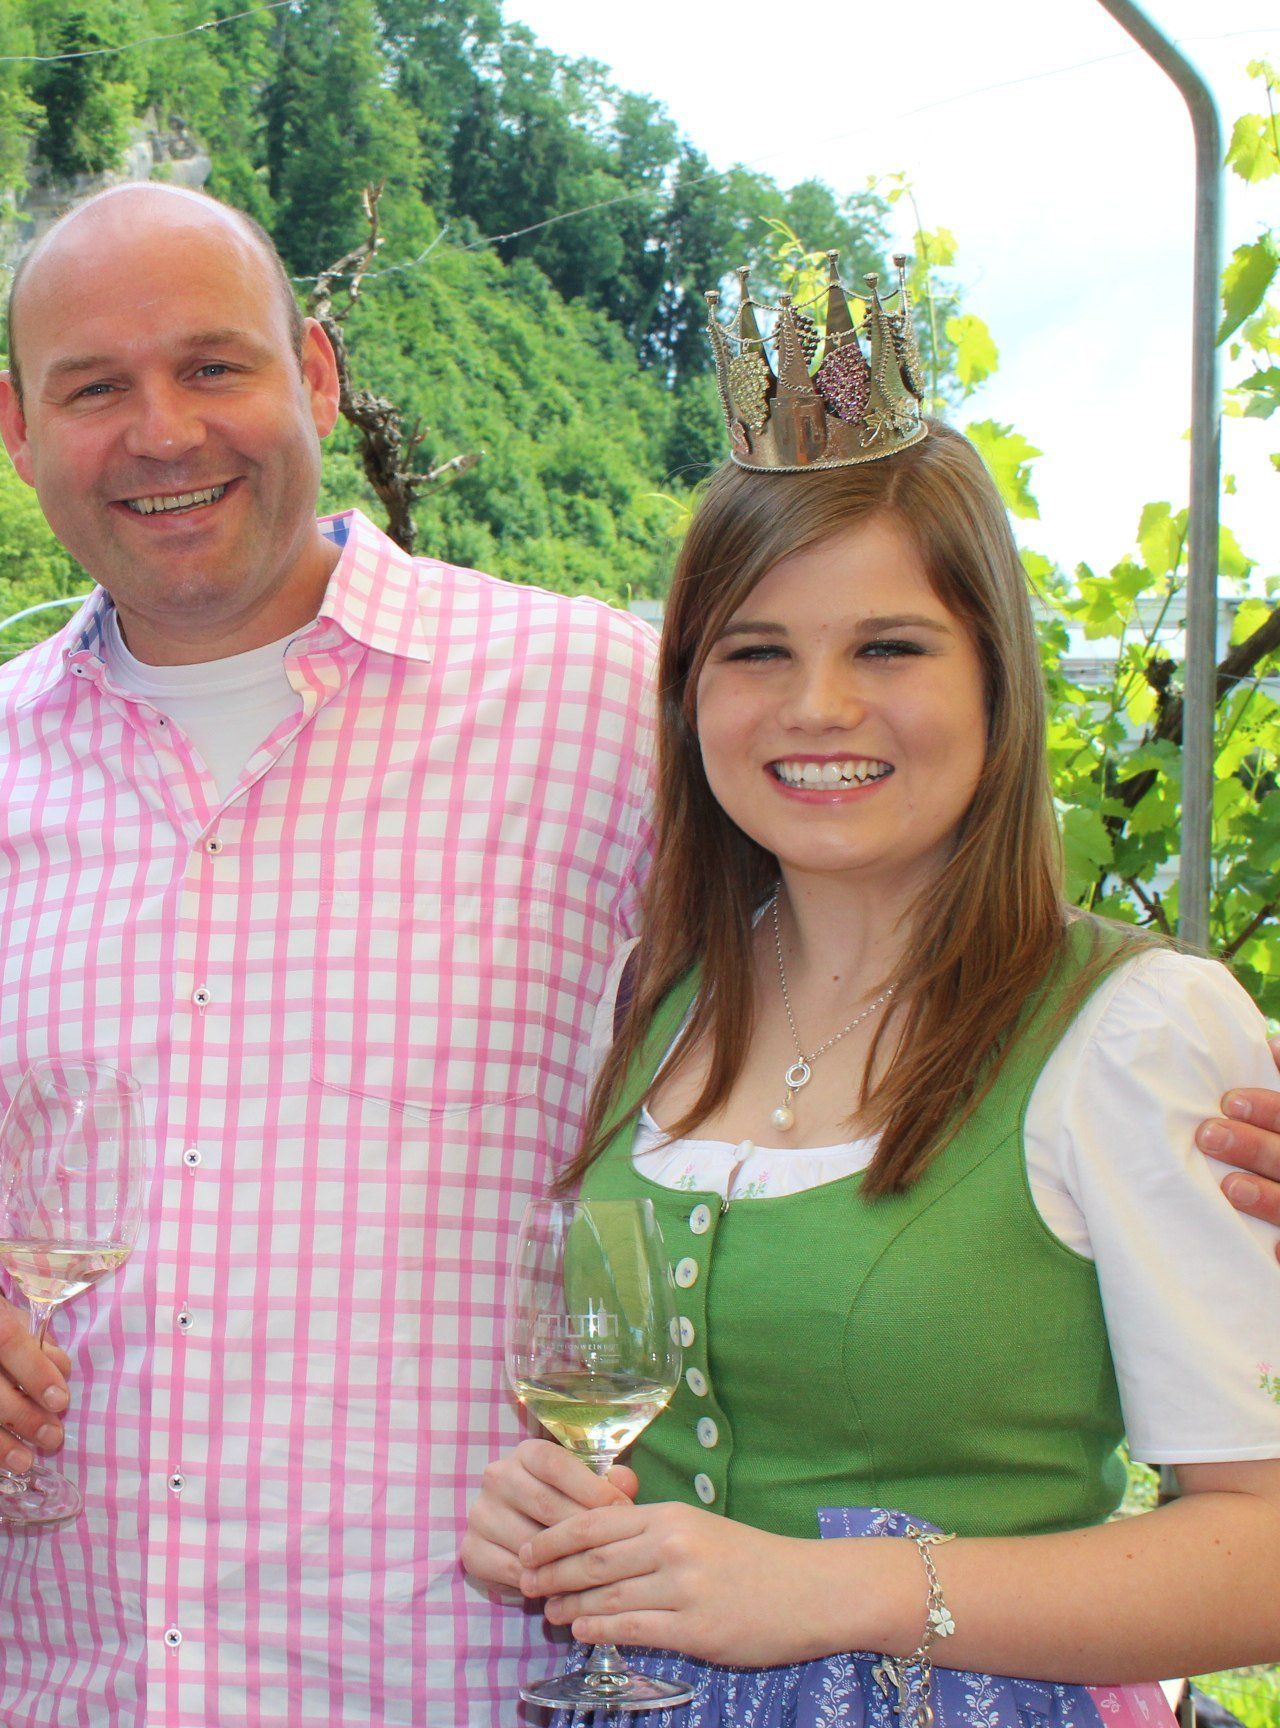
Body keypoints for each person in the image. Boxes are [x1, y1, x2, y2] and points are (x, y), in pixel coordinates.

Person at [0, 181, 662, 1724]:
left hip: (458, 1683)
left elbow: (819, 1026)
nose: (161, 433)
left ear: (316, 375)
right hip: (67, 1684)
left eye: (213, 367)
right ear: (19, 430)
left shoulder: (594, 702)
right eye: (95, 389)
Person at [460, 260, 1280, 1721]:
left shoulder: (1132, 1029)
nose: (817, 707)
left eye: (889, 648)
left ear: (995, 681)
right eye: (754, 653)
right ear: (689, 696)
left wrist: (842, 1589)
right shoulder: (653, 1005)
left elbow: (1262, 1554)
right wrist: (551, 1508)